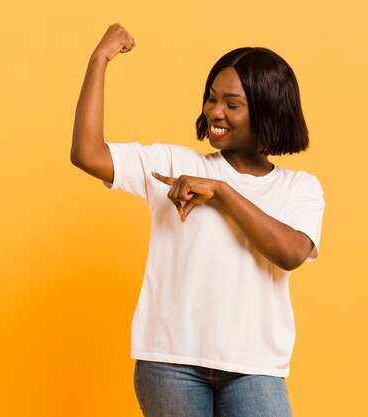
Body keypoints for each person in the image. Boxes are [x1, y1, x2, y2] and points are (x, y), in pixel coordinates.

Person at [70, 23, 325, 417]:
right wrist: (98, 60)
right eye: (211, 98)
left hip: (253, 368)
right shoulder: (174, 166)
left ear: (267, 110)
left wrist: (222, 192)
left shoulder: (299, 188)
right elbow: (87, 153)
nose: (214, 112)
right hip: (170, 364)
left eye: (231, 104)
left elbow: (290, 252)